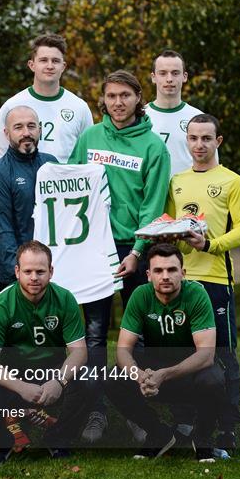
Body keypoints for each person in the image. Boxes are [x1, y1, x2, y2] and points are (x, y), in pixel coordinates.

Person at [68, 70, 170, 441]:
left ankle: (137, 412)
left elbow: (153, 206)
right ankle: (96, 412)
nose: (117, 102)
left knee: (136, 335)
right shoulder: (90, 137)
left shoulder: (153, 147)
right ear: (103, 100)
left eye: (125, 95)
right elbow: (71, 187)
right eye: (111, 96)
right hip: (92, 248)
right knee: (94, 334)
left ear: (138, 97)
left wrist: (139, 252)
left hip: (132, 249)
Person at [166, 113, 240, 450]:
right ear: (186, 141)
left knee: (223, 355)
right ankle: (186, 422)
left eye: (206, 139)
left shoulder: (232, 181)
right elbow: (171, 225)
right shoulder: (177, 180)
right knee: (183, 353)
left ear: (217, 142)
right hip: (181, 281)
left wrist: (211, 244)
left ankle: (227, 427)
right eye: (193, 138)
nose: (199, 145)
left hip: (216, 279)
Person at [107, 243, 225, 462]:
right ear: (148, 275)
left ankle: (202, 438)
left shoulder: (197, 294)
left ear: (183, 272)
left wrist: (163, 375)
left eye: (172, 270)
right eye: (158, 270)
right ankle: (158, 433)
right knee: (113, 378)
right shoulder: (140, 295)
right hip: (154, 370)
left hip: (190, 372)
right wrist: (141, 376)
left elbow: (206, 354)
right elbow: (123, 350)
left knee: (214, 380)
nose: (165, 276)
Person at [0, 240, 89, 466]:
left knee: (90, 380)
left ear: (51, 272)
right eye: (28, 271)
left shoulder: (65, 299)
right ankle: (0, 446)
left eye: (40, 271)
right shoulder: (0, 305)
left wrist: (59, 381)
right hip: (12, 375)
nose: (34, 277)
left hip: (51, 372)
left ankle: (57, 438)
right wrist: (21, 386)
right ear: (17, 272)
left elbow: (79, 352)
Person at [0, 106, 56, 292]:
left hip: (53, 273)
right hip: (17, 278)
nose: (26, 133)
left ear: (40, 129)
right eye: (18, 127)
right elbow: (2, 232)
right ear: (7, 133)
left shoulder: (53, 165)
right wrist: (23, 275)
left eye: (31, 126)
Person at [0, 34, 93, 163]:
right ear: (31, 65)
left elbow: (89, 156)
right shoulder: (12, 106)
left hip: (64, 181)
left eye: (55, 61)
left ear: (63, 66)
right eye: (43, 60)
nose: (50, 66)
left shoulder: (80, 107)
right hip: (25, 182)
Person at [145, 49, 203, 176]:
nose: (169, 79)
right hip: (149, 194)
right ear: (153, 77)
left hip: (188, 194)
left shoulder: (199, 118)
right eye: (163, 73)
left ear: (184, 77)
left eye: (175, 73)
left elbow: (211, 166)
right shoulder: (139, 117)